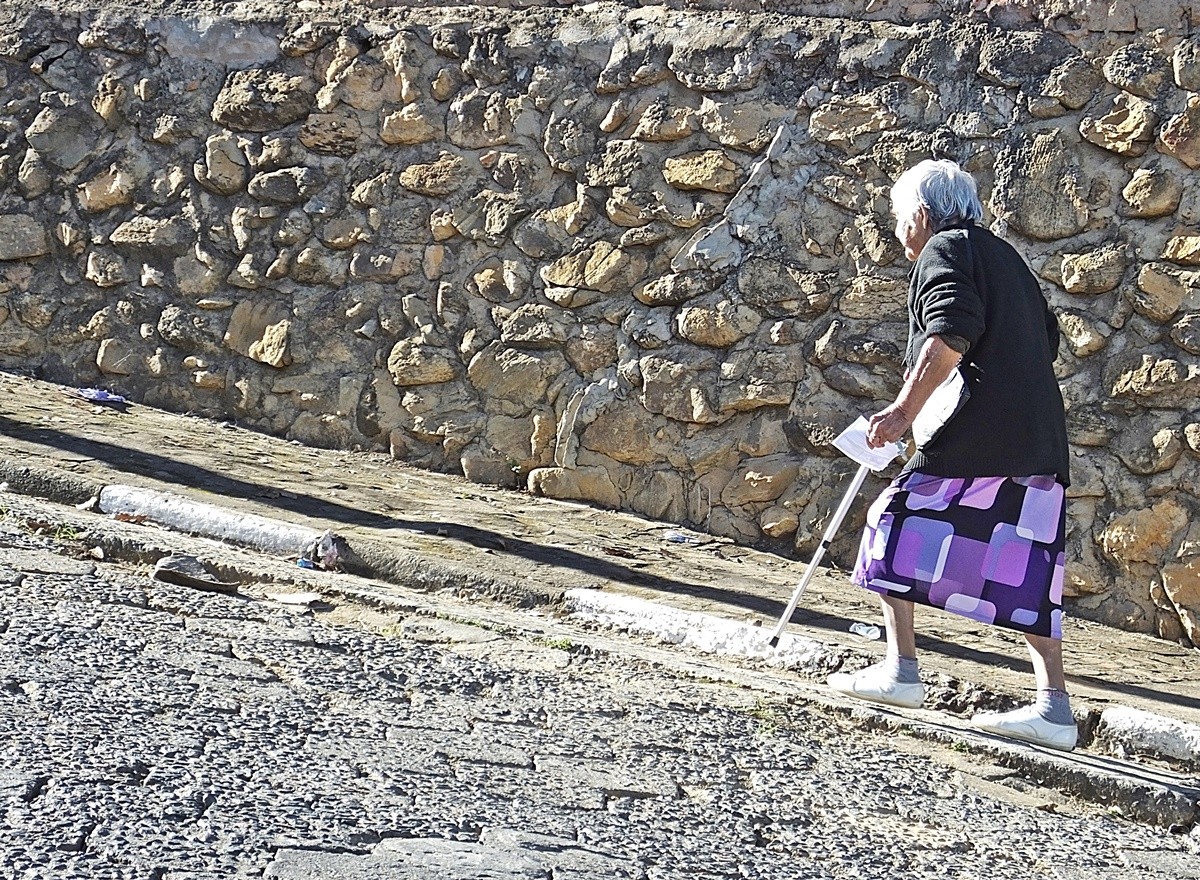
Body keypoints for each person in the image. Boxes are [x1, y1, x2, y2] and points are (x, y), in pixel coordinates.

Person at [827, 158, 1077, 751]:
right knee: (1026, 565)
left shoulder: (946, 248)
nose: (896, 233)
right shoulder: (1006, 257)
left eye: (896, 217)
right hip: (1037, 440)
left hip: (976, 437)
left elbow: (948, 336)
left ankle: (902, 672)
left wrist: (902, 414)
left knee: (890, 522)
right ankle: (1054, 708)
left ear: (920, 213)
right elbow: (1047, 340)